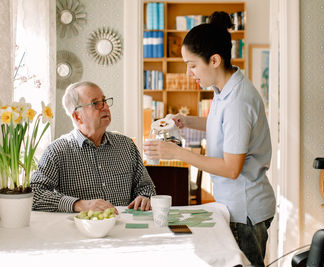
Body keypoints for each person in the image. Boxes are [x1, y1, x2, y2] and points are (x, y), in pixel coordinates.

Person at [144, 11, 276, 267]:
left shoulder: (237, 100)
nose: (188, 72)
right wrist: (188, 121)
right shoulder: (225, 90)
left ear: (214, 60)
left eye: (192, 65)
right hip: (236, 204)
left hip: (245, 210)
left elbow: (230, 168)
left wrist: (177, 153)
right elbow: (224, 127)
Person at [31, 81, 156, 213]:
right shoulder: (57, 151)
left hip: (125, 226)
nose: (105, 106)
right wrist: (79, 205)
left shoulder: (127, 146)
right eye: (96, 103)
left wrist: (145, 197)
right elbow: (35, 195)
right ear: (77, 116)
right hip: (80, 230)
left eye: (104, 101)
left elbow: (146, 187)